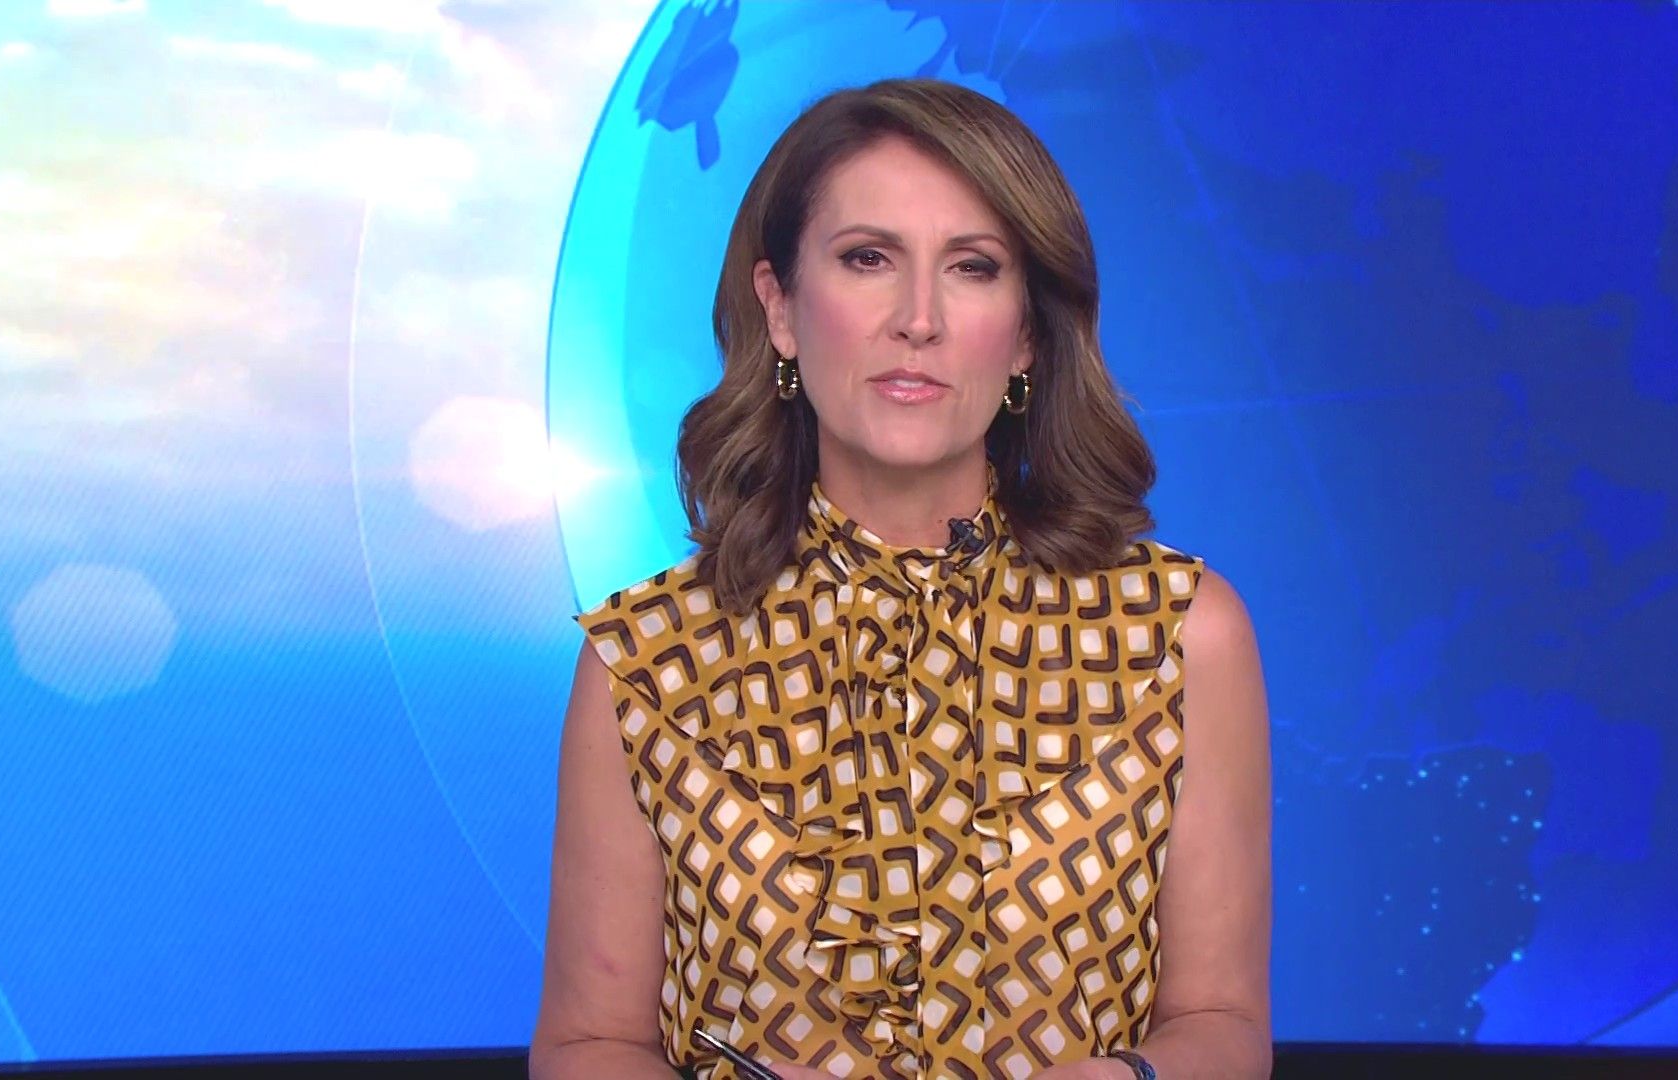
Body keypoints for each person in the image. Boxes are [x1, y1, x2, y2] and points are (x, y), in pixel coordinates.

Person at [530, 78, 1271, 1080]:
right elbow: (586, 1046)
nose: (918, 319)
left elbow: (1223, 1022)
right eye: (868, 259)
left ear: (1025, 334)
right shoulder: (648, 664)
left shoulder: (1180, 636)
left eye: (972, 267)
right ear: (781, 308)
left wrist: (1125, 1079)